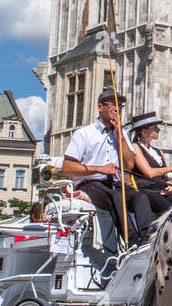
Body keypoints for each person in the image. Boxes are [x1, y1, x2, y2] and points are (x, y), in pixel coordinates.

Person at [61, 91, 146, 241]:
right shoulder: (84, 134)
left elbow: (129, 165)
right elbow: (67, 167)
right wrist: (100, 169)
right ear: (100, 107)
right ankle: (132, 240)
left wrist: (120, 134)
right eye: (113, 105)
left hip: (115, 183)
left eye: (120, 106)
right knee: (117, 197)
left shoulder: (121, 135)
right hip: (91, 183)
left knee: (140, 197)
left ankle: (147, 238)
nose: (117, 109)